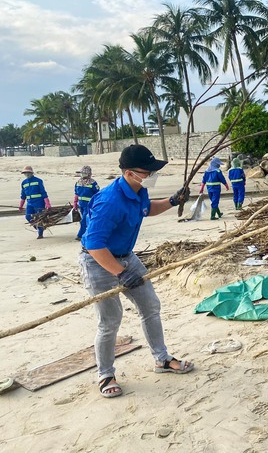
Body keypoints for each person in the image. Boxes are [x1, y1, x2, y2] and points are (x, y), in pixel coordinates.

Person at [79, 144, 193, 399]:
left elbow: (146, 209)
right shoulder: (109, 201)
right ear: (130, 173)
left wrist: (172, 201)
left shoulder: (138, 190)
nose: (152, 175)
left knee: (150, 305)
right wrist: (120, 272)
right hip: (98, 263)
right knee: (110, 321)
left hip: (126, 257)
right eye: (148, 171)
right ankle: (105, 374)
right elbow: (94, 244)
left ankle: (161, 359)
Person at [18, 166, 51, 239]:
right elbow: (23, 195)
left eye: (28, 173)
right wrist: (21, 205)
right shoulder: (24, 183)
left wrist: (47, 203)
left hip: (39, 202)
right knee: (28, 216)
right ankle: (39, 228)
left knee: (39, 217)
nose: (27, 174)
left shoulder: (38, 181)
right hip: (29, 203)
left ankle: (40, 233)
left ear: (31, 173)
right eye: (25, 173)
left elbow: (43, 193)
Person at [73, 165, 100, 241]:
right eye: (82, 173)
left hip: (89, 205)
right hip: (81, 205)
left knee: (84, 220)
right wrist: (75, 203)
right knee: (85, 220)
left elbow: (97, 194)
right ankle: (88, 233)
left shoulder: (93, 183)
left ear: (88, 174)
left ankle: (80, 235)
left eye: (84, 173)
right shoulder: (78, 182)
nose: (82, 175)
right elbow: (76, 193)